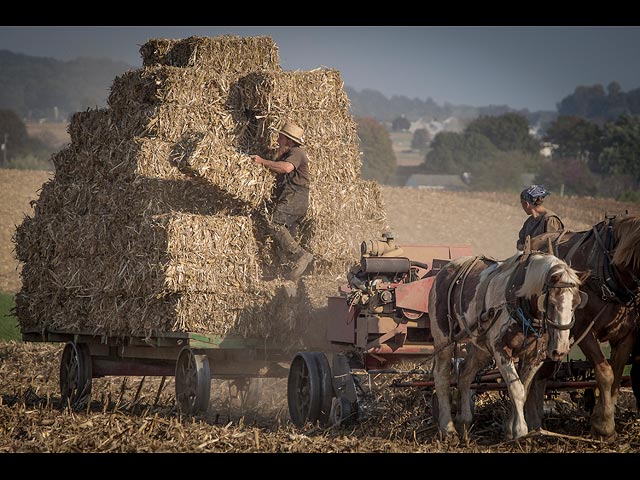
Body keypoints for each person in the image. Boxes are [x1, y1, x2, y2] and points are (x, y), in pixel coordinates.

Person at [251, 121, 313, 280]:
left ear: (290, 141)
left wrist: (261, 162)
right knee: (286, 237)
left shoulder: (297, 152)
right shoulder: (286, 154)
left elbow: (286, 168)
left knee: (274, 223)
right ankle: (289, 274)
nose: (277, 140)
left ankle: (301, 255)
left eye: (281, 138)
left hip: (295, 197)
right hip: (292, 198)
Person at [516, 184, 565, 251]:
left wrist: (527, 247)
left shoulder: (550, 219)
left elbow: (553, 247)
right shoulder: (529, 221)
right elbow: (520, 242)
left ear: (526, 204)